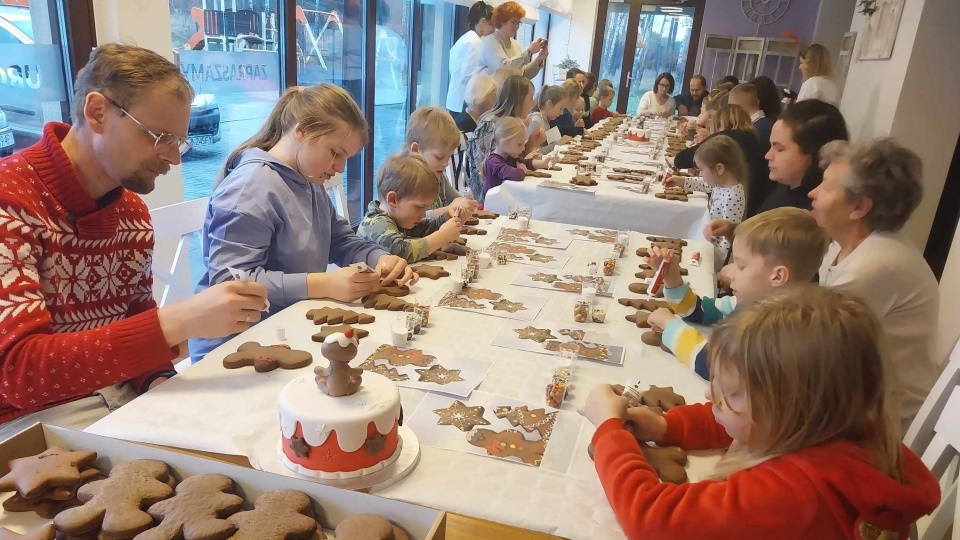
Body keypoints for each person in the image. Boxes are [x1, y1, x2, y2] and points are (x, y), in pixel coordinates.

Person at [0, 43, 269, 433]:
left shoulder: (130, 214)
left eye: (178, 142)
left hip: (117, 400)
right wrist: (179, 320)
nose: (173, 158)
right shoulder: (11, 201)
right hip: (28, 424)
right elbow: (19, 372)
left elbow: (134, 321)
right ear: (97, 113)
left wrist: (161, 384)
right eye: (159, 137)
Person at [579, 285, 940, 539]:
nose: (708, 394)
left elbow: (654, 520)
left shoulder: (794, 493)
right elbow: (743, 425)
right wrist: (663, 426)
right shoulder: (839, 430)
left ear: (791, 413)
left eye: (731, 396)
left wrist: (609, 430)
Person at [190, 85, 416, 361]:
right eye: (336, 152)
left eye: (346, 157)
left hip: (288, 327)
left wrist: (379, 257)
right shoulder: (251, 187)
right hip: (235, 344)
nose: (340, 167)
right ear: (302, 130)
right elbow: (231, 282)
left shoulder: (309, 180)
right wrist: (322, 284)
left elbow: (340, 239)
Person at [812, 138, 939, 427]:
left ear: (859, 207)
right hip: (854, 398)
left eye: (827, 187)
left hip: (883, 421)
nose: (813, 193)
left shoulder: (874, 266)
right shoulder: (840, 246)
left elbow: (816, 352)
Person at [645, 207, 829, 376]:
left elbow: (717, 366)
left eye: (741, 266)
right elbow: (698, 311)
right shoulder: (747, 301)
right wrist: (672, 279)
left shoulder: (782, 331)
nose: (728, 272)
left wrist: (671, 327)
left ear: (778, 276)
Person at [704, 99, 849, 242]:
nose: (768, 155)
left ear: (814, 155)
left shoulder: (811, 216)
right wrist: (734, 231)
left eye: (779, 149)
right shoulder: (782, 187)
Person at [358, 155, 463, 263]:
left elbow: (425, 229)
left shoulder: (398, 217)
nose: (423, 214)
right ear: (393, 199)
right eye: (419, 207)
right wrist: (443, 236)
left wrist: (447, 218)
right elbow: (400, 252)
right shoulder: (376, 224)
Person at [671, 136, 748, 268]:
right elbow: (706, 185)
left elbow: (728, 241)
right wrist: (682, 181)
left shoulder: (733, 197)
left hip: (716, 256)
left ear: (719, 168)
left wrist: (716, 263)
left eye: (701, 170)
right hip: (709, 245)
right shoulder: (721, 183)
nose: (700, 174)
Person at [465, 75, 534, 203]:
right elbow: (486, 171)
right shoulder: (490, 124)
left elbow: (513, 160)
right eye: (531, 98)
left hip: (507, 185)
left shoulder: (514, 123)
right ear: (520, 99)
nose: (533, 103)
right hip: (488, 194)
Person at [404, 107, 477, 221]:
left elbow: (456, 199)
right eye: (439, 157)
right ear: (416, 150)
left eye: (449, 157)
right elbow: (415, 219)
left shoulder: (439, 177)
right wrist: (449, 209)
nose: (446, 164)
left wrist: (465, 204)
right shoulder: (405, 181)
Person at [482, 117, 553, 198]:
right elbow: (516, 175)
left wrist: (543, 163)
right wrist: (522, 170)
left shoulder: (510, 155)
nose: (523, 148)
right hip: (494, 204)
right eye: (519, 144)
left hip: (507, 199)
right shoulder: (494, 161)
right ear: (504, 143)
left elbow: (526, 162)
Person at [445, 1, 494, 116]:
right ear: (483, 22)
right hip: (463, 101)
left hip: (456, 98)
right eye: (491, 25)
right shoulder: (474, 42)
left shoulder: (467, 38)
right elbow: (468, 74)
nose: (493, 29)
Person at [474, 1, 546, 80]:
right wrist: (529, 52)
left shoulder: (515, 44)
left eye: (518, 23)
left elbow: (523, 74)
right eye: (513, 22)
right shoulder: (489, 41)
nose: (517, 26)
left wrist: (539, 60)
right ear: (502, 22)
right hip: (488, 91)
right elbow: (503, 68)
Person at [528, 85, 573, 152]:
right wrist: (558, 144)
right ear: (549, 104)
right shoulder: (536, 121)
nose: (562, 113)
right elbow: (532, 153)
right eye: (560, 108)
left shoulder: (546, 121)